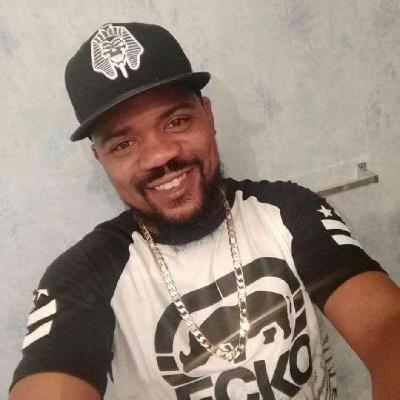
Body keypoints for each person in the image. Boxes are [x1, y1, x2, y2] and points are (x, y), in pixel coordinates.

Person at [9, 22, 400, 400]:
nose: (159, 155)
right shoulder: (83, 276)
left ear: (208, 115)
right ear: (101, 158)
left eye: (176, 121)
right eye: (123, 144)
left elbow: (387, 326)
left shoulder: (289, 211)